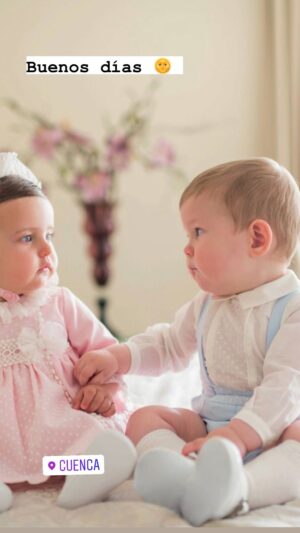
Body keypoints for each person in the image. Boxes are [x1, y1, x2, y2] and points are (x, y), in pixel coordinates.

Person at [74, 157, 300, 525]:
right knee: (146, 417)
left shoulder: (292, 311)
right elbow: (168, 346)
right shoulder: (207, 304)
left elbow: (285, 389)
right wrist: (119, 357)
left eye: (198, 232)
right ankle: (182, 472)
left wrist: (237, 439)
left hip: (272, 430)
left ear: (257, 238)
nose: (187, 248)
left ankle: (241, 487)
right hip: (210, 426)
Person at [0, 152, 136, 513]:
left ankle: (86, 475)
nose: (47, 249)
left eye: (49, 235)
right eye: (28, 238)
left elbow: (109, 358)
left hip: (61, 429)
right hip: (5, 444)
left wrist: (102, 390)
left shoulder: (59, 303)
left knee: (99, 446)